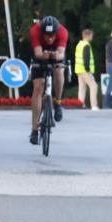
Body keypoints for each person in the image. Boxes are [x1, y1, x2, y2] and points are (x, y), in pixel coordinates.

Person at [29, 15, 68, 145]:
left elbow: (61, 52)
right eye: (47, 35)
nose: (50, 38)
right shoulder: (35, 31)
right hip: (40, 54)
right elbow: (38, 52)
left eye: (53, 35)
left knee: (59, 70)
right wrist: (42, 56)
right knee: (39, 86)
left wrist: (57, 55)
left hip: (56, 52)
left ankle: (58, 102)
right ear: (42, 32)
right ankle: (34, 130)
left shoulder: (62, 32)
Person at [75, 28, 100, 110]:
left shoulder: (79, 44)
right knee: (94, 86)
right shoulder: (86, 45)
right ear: (87, 36)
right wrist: (87, 68)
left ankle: (80, 104)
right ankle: (94, 105)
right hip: (85, 70)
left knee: (82, 88)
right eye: (91, 35)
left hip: (79, 69)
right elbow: (86, 58)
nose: (92, 37)